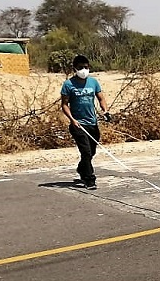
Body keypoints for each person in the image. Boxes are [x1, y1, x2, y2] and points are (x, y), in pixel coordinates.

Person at [60, 55, 109, 190]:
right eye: (81, 67)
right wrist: (72, 119)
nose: (84, 70)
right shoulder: (68, 85)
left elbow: (101, 98)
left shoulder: (93, 82)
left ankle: (82, 168)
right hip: (78, 124)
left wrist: (105, 110)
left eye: (86, 67)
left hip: (92, 123)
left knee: (91, 152)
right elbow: (64, 104)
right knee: (85, 151)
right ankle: (89, 179)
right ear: (75, 68)